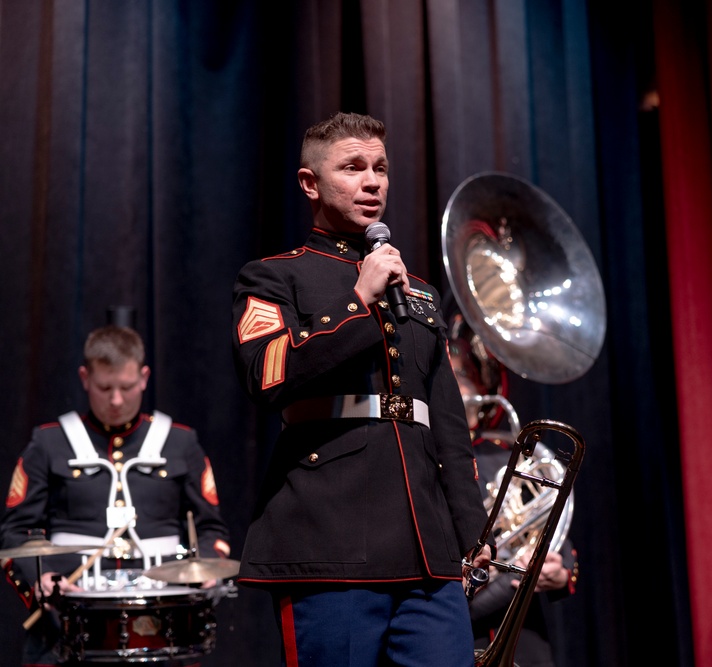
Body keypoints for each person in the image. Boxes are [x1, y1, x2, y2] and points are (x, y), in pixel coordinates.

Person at [230, 111, 492, 667]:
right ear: (311, 184)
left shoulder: (418, 291)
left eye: (380, 168)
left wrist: (472, 529)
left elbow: (446, 421)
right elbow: (266, 373)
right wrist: (358, 302)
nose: (372, 181)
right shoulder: (276, 276)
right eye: (352, 167)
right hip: (329, 541)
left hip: (427, 548)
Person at [0, 324, 232, 665]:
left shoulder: (180, 443)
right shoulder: (49, 443)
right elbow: (15, 534)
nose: (116, 400)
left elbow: (212, 529)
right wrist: (41, 580)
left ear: (144, 377)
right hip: (68, 619)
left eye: (125, 387)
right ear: (84, 377)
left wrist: (208, 570)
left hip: (160, 623)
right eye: (104, 387)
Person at [447, 314, 578, 667]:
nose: (459, 389)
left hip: (524, 637)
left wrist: (561, 570)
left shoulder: (507, 456)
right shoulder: (421, 459)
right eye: (448, 379)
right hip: (459, 633)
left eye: (463, 377)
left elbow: (553, 535)